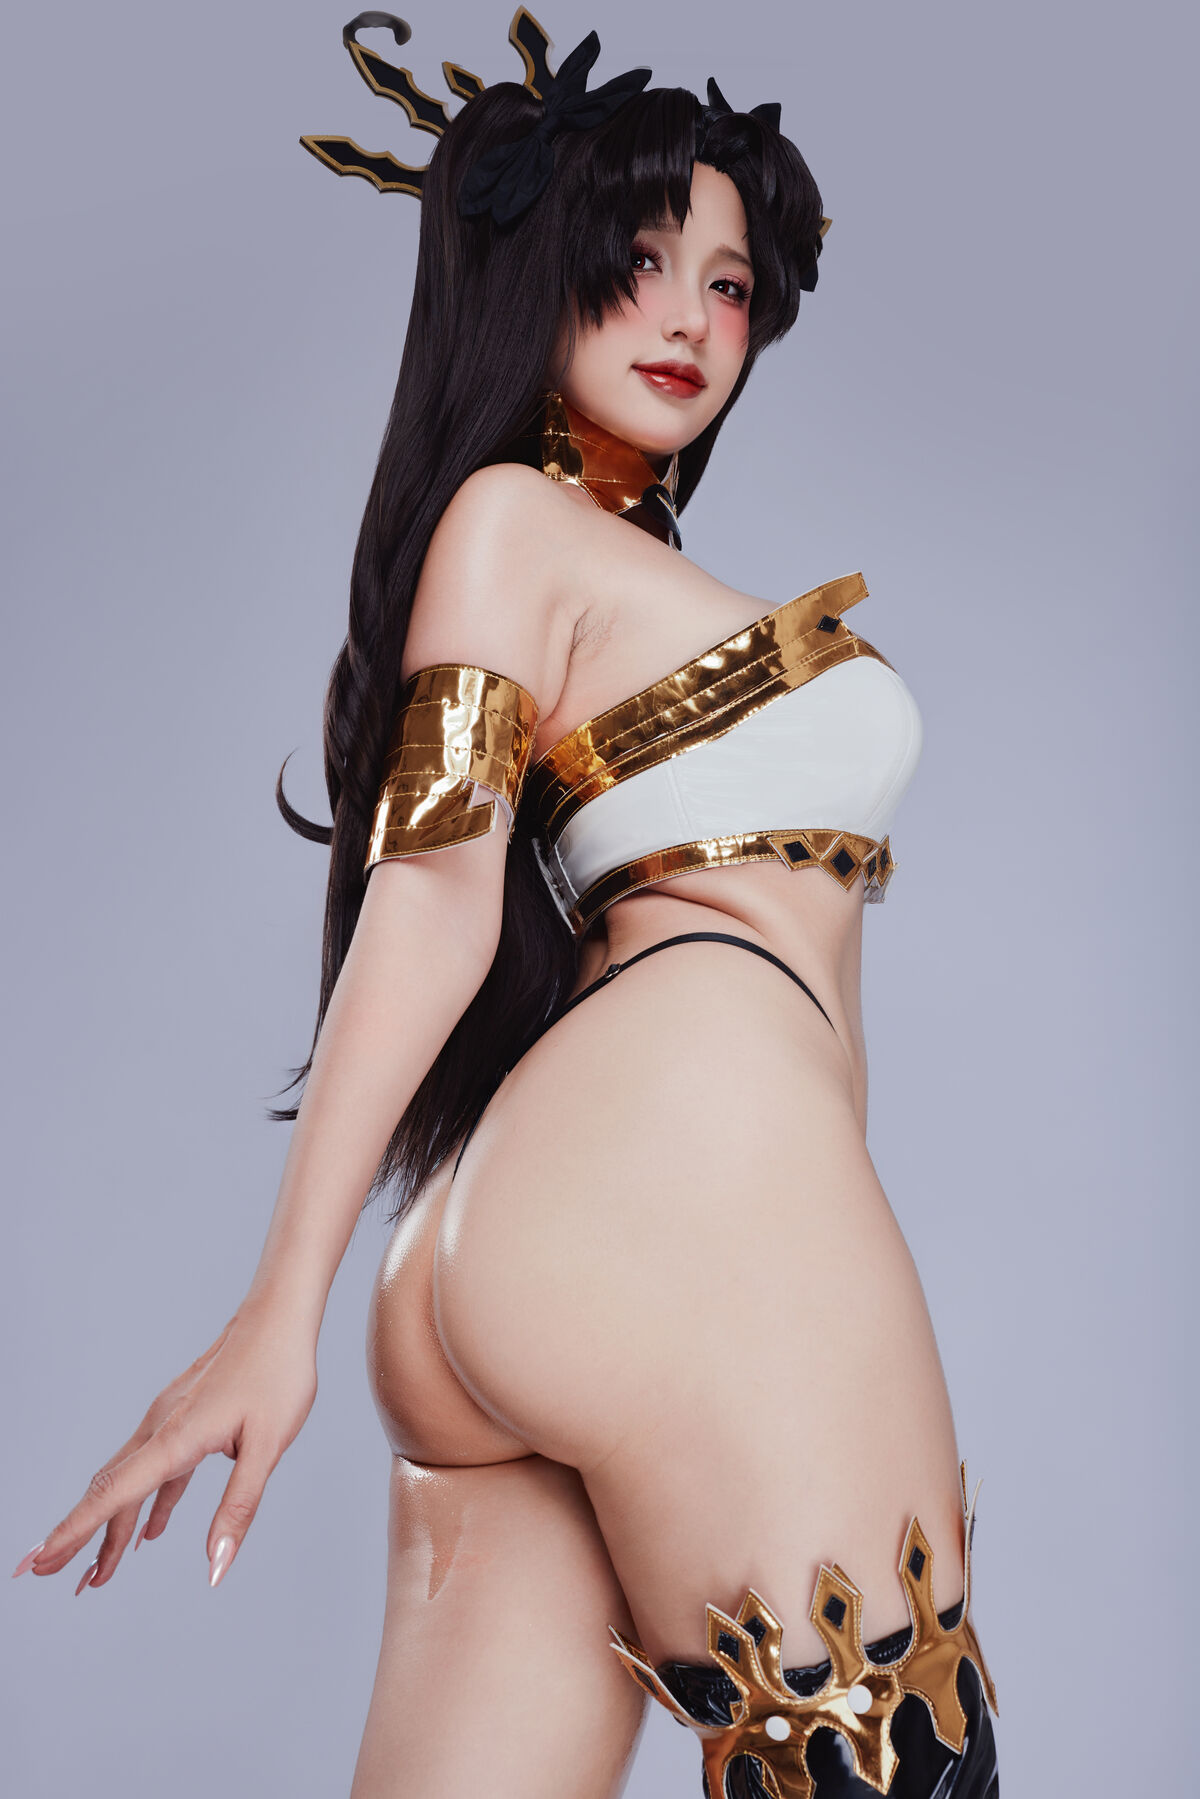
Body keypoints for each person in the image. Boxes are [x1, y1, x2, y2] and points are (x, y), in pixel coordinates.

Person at [13, 12, 999, 1795]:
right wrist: (276, 1309)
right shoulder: (509, 529)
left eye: (730, 283)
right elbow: (435, 899)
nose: (692, 319)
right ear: (540, 275)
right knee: (902, 1759)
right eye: (640, 263)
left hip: (565, 1229)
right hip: (672, 1196)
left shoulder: (603, 567)